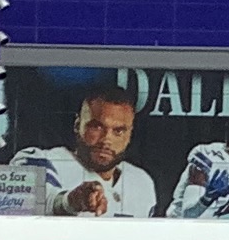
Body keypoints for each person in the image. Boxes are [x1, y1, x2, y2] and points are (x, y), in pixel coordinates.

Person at [12, 92, 157, 219]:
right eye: (97, 127)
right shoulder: (37, 159)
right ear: (77, 125)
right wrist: (72, 201)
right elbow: (32, 204)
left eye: (118, 131)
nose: (106, 139)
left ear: (129, 135)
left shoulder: (142, 182)